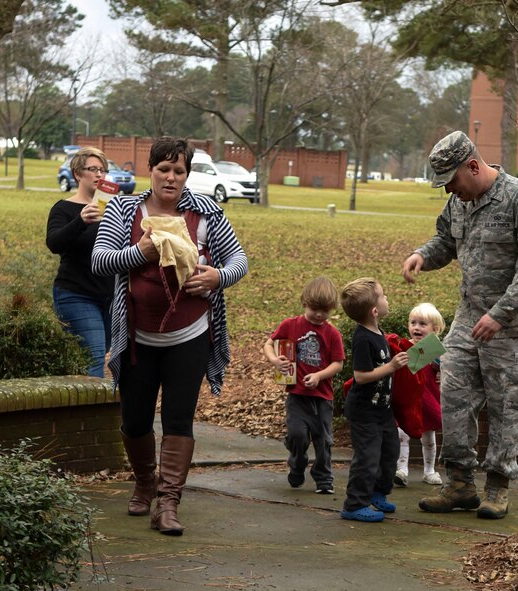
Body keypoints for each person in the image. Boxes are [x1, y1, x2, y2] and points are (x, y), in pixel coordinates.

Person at [92, 137, 248, 536]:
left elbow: (238, 260)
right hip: (138, 338)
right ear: (151, 170)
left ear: (187, 175)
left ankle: (168, 502)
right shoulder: (126, 211)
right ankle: (144, 481)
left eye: (179, 171)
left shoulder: (206, 212)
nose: (171, 177)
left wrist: (217, 276)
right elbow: (101, 261)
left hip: (190, 335)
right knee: (136, 419)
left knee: (179, 419)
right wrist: (140, 252)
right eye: (164, 169)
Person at [402, 130, 518, 520]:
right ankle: (460, 483)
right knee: (453, 394)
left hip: (514, 324)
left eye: (452, 181)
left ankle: (497, 487)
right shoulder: (459, 204)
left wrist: (499, 314)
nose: (450, 190)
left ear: (472, 166)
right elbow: (445, 242)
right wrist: (422, 255)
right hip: (469, 317)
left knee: (506, 404)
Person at [262, 276, 345, 494]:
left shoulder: (332, 334)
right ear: (304, 302)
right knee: (297, 435)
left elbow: (338, 363)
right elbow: (270, 344)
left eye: (325, 310)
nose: (319, 315)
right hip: (297, 396)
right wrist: (274, 360)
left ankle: (324, 478)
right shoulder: (291, 325)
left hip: (322, 397)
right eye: (315, 309)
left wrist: (319, 376)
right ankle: (297, 464)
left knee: (324, 440)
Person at [338, 277, 409, 522]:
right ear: (375, 310)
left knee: (390, 452)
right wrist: (391, 366)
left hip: (383, 410)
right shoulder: (363, 338)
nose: (387, 297)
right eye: (383, 295)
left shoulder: (379, 332)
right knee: (367, 457)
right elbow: (361, 376)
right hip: (364, 411)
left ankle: (377, 493)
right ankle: (354, 504)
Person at [46, 147, 114, 377]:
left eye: (103, 170)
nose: (99, 175)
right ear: (77, 174)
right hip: (75, 294)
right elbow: (54, 243)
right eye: (92, 169)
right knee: (94, 357)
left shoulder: (112, 210)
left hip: (109, 297)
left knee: (96, 353)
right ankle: (92, 412)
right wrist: (81, 220)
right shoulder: (64, 209)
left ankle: (72, 400)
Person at [394, 302, 445, 487]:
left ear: (435, 329)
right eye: (413, 322)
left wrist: (441, 372)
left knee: (429, 437)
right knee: (402, 434)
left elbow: (447, 370)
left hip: (428, 399)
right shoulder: (404, 346)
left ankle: (429, 470)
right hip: (409, 399)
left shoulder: (436, 351)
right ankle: (401, 470)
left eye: (422, 324)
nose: (416, 327)